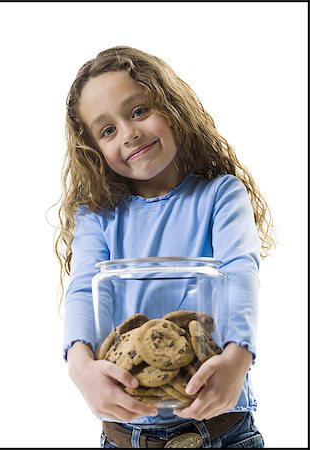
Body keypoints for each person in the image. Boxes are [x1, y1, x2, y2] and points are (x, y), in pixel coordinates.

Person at [54, 46, 275, 448]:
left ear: (171, 106)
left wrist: (238, 358)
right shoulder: (98, 215)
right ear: (94, 151)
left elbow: (239, 272)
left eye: (139, 111)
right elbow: (85, 289)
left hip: (222, 430)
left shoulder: (220, 195)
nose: (129, 132)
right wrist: (80, 366)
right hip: (124, 437)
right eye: (107, 130)